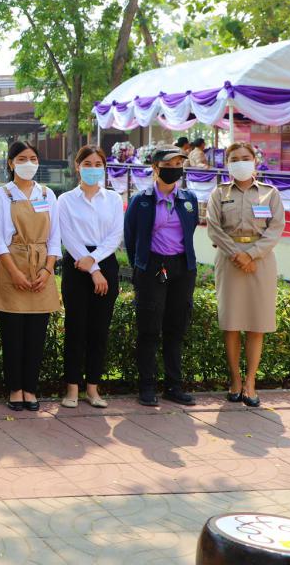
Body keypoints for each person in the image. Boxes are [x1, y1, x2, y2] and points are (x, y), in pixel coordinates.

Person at [206, 142, 284, 408]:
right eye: (235, 158)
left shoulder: (269, 193)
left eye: (245, 157)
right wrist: (237, 254)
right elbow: (214, 228)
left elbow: (276, 229)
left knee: (256, 323)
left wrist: (251, 255)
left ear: (255, 161)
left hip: (260, 262)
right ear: (227, 163)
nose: (241, 162)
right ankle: (236, 380)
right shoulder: (219, 193)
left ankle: (251, 382)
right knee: (231, 323)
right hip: (230, 261)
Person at [124, 145, 200, 407]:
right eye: (168, 165)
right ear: (155, 168)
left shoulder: (189, 199)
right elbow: (131, 237)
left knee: (176, 328)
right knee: (149, 328)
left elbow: (190, 230)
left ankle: (173, 386)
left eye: (178, 164)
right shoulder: (141, 200)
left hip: (182, 267)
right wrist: (140, 267)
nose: (174, 169)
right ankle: (147, 386)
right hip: (152, 267)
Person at [0, 141, 60, 413]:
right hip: (12, 264)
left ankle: (30, 388)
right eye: (21, 158)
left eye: (32, 158)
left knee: (36, 335)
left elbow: (55, 237)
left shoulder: (47, 194)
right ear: (11, 163)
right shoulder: (1, 195)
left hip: (41, 267)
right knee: (13, 335)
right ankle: (14, 389)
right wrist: (15, 272)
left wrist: (47, 269)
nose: (28, 163)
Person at [56, 145, 123, 409]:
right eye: (87, 164)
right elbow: (67, 235)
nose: (93, 169)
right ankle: (72, 388)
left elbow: (115, 236)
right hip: (77, 264)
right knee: (75, 328)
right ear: (77, 166)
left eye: (98, 164)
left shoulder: (113, 199)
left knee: (99, 330)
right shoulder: (65, 200)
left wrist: (95, 262)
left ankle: (93, 388)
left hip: (105, 262)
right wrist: (93, 269)